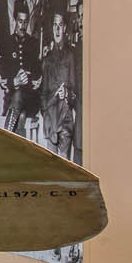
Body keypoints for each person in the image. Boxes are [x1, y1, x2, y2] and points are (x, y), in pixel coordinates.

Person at [0, 0, 43, 141]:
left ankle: (5, 137)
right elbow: (2, 79)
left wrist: (28, 80)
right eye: (20, 21)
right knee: (20, 113)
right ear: (14, 21)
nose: (23, 25)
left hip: (31, 99)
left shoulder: (34, 44)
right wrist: (15, 81)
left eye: (25, 22)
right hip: (12, 98)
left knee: (20, 98)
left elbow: (38, 76)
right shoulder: (6, 44)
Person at [41, 9, 80, 162]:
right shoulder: (47, 59)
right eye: (54, 25)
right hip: (51, 119)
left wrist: (67, 95)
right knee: (51, 166)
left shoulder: (71, 55)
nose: (57, 29)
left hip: (65, 117)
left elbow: (75, 91)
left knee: (63, 163)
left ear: (65, 28)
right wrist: (46, 112)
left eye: (60, 25)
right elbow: (43, 94)